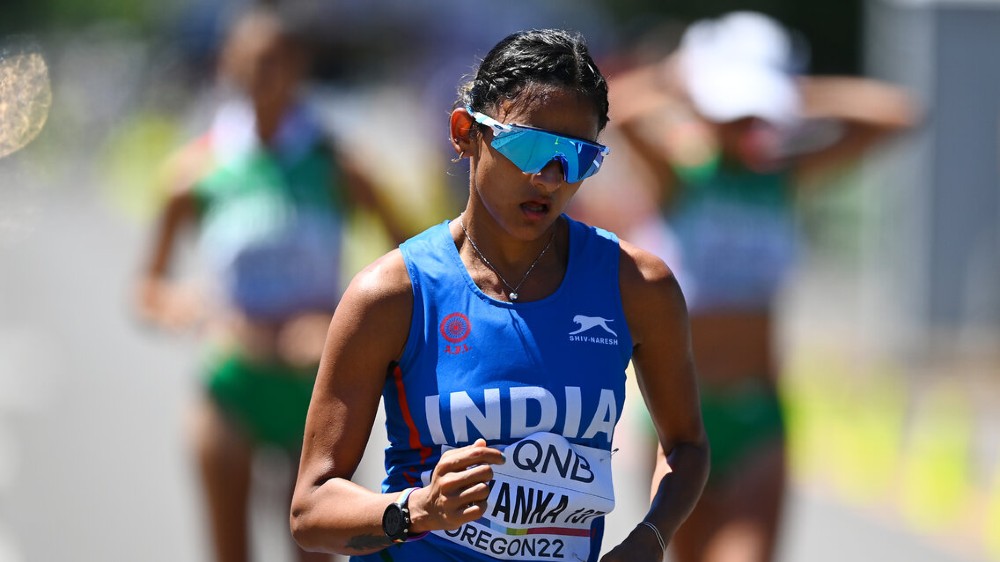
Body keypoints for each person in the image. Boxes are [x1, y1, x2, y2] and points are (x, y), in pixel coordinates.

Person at [289, 29, 709, 562]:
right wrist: (417, 510)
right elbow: (310, 510)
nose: (550, 177)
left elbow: (687, 446)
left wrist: (652, 537)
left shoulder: (637, 285)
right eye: (530, 146)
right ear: (465, 132)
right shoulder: (392, 294)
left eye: (578, 157)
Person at [607, 12, 916, 562]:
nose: (745, 122)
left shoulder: (783, 176)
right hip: (677, 414)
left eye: (755, 111)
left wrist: (793, 92)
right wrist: (679, 77)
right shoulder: (679, 174)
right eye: (734, 109)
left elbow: (898, 114)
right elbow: (615, 111)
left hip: (758, 416)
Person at [135, 8, 405, 562]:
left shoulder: (337, 161)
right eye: (252, 61)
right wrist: (201, 314)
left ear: (299, 66)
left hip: (316, 385)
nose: (264, 74)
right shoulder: (197, 167)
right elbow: (149, 289)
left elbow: (413, 261)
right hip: (233, 381)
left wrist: (340, 324)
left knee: (313, 548)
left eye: (277, 60)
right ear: (228, 66)